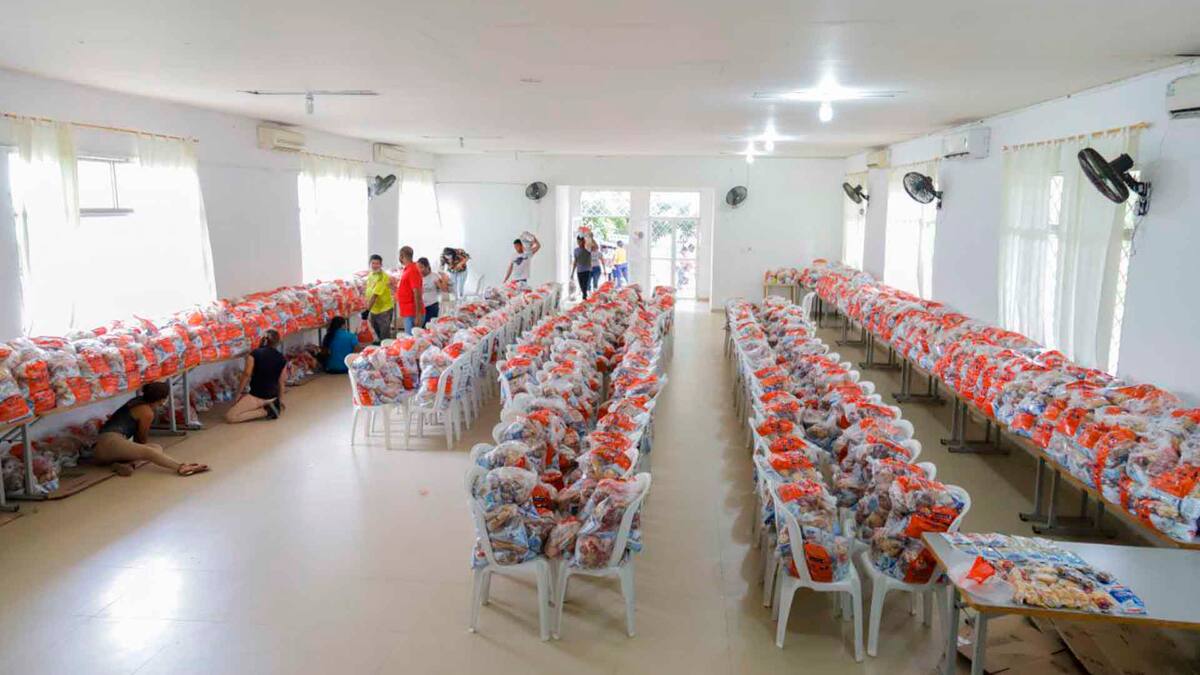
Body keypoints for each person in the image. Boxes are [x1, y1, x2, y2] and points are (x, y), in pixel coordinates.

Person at [93, 381, 209, 477]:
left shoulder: (137, 401)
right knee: (150, 451)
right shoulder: (147, 412)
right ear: (162, 399)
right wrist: (144, 452)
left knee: (156, 447)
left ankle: (127, 465)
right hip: (108, 443)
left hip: (106, 445)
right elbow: (141, 439)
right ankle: (180, 467)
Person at [226, 329, 287, 423]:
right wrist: (280, 401)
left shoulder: (254, 354)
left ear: (262, 339)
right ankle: (271, 408)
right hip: (273, 397)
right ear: (278, 342)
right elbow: (282, 382)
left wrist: (238, 394)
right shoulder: (282, 358)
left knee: (231, 416)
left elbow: (246, 375)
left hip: (256, 396)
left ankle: (266, 412)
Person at [362, 254, 394, 343]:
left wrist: (367, 310)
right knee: (376, 334)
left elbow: (375, 296)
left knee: (384, 335)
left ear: (381, 265)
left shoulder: (382, 277)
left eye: (377, 263)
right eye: (373, 263)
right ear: (369, 264)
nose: (375, 265)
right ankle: (379, 349)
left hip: (384, 310)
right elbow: (369, 290)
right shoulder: (371, 274)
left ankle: (387, 349)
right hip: (374, 309)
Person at [395, 246, 424, 334]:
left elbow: (417, 292)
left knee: (411, 339)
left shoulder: (412, 270)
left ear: (401, 256)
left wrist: (418, 315)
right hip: (408, 311)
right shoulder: (407, 269)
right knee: (409, 338)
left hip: (412, 312)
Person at [573, 234, 593, 300]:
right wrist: (572, 272)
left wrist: (591, 237)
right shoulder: (576, 250)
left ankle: (584, 297)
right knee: (581, 285)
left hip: (587, 270)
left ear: (583, 241)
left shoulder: (587, 249)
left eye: (580, 241)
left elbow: (595, 247)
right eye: (578, 241)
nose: (578, 243)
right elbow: (575, 261)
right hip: (579, 271)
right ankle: (584, 294)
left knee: (585, 285)